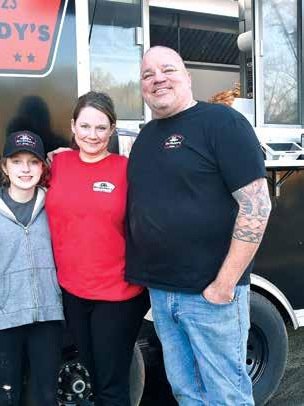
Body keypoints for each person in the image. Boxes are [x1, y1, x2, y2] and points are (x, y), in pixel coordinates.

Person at [125, 46, 272, 405]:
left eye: (168, 70)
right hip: (163, 295)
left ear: (187, 77)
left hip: (211, 296)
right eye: (148, 74)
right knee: (186, 392)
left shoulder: (222, 123)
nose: (158, 79)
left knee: (226, 395)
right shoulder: (145, 138)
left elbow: (256, 205)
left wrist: (223, 286)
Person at [45, 91, 149, 406]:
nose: (92, 135)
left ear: (112, 129)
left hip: (118, 294)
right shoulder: (57, 163)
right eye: (85, 126)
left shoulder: (126, 169)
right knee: (92, 377)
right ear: (73, 126)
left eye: (101, 127)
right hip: (73, 292)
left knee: (111, 386)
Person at [0, 130, 64, 406]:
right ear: (4, 167)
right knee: (7, 393)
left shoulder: (55, 202)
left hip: (46, 315)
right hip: (1, 318)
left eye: (33, 162)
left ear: (43, 167)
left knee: (46, 395)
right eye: (16, 161)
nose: (25, 169)